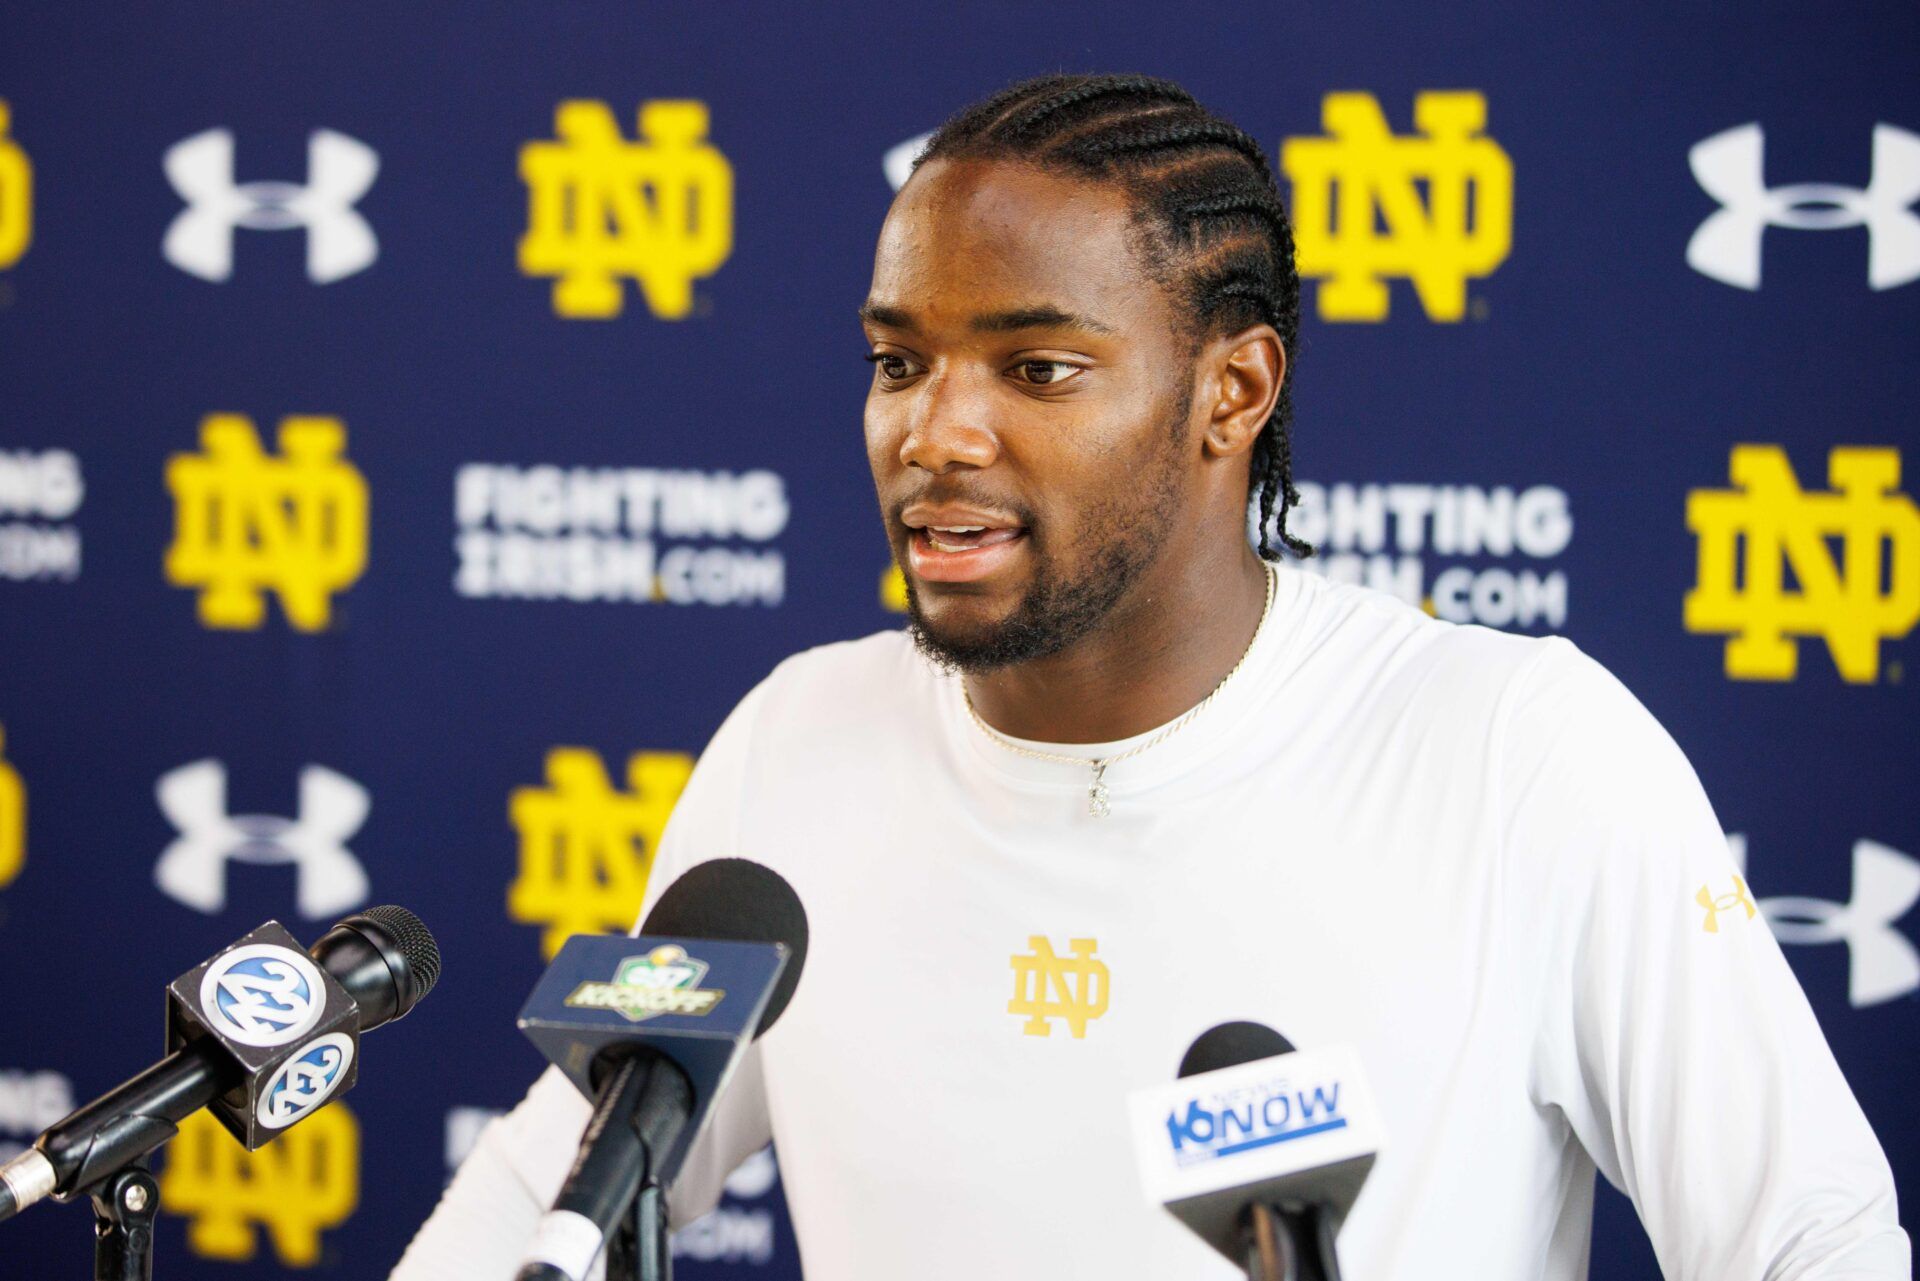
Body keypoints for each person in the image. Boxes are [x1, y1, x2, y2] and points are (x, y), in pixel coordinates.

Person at [393, 74, 1908, 1279]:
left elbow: (1805, 1241)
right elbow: (568, 1180)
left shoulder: (1522, 754)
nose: (937, 433)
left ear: (1231, 392)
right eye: (898, 360)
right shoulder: (795, 743)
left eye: (1036, 369)